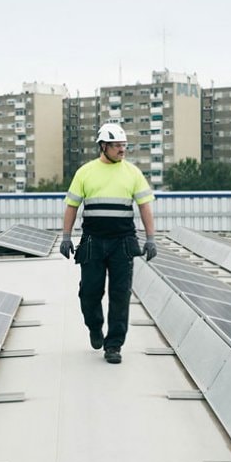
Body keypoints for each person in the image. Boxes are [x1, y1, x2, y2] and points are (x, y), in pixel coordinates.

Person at [59, 122, 157, 364]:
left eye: (124, 145)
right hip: (93, 241)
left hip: (123, 242)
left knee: (120, 295)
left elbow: (145, 206)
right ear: (103, 147)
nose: (122, 150)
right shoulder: (85, 172)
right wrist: (65, 236)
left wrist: (151, 238)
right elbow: (72, 206)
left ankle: (114, 345)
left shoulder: (133, 173)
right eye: (117, 146)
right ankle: (94, 326)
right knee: (90, 292)